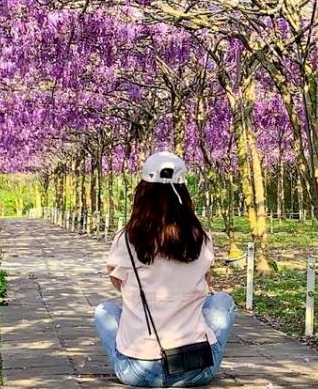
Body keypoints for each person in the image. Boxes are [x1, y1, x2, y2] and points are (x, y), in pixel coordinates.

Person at [94, 151, 236, 387]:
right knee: (222, 301)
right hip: (195, 367)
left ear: (142, 192)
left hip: (138, 371)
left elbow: (119, 284)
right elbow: (206, 283)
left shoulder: (125, 240)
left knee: (104, 311)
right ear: (184, 194)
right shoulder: (201, 239)